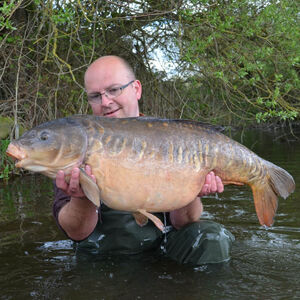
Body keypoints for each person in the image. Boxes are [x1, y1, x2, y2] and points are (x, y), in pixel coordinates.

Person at [53, 55, 234, 264]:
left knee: (212, 238)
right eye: (95, 96)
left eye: (113, 90)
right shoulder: (78, 141)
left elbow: (184, 221)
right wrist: (81, 197)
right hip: (104, 255)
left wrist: (193, 191)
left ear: (136, 89)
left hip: (163, 248)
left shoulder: (170, 138)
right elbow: (76, 232)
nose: (105, 102)